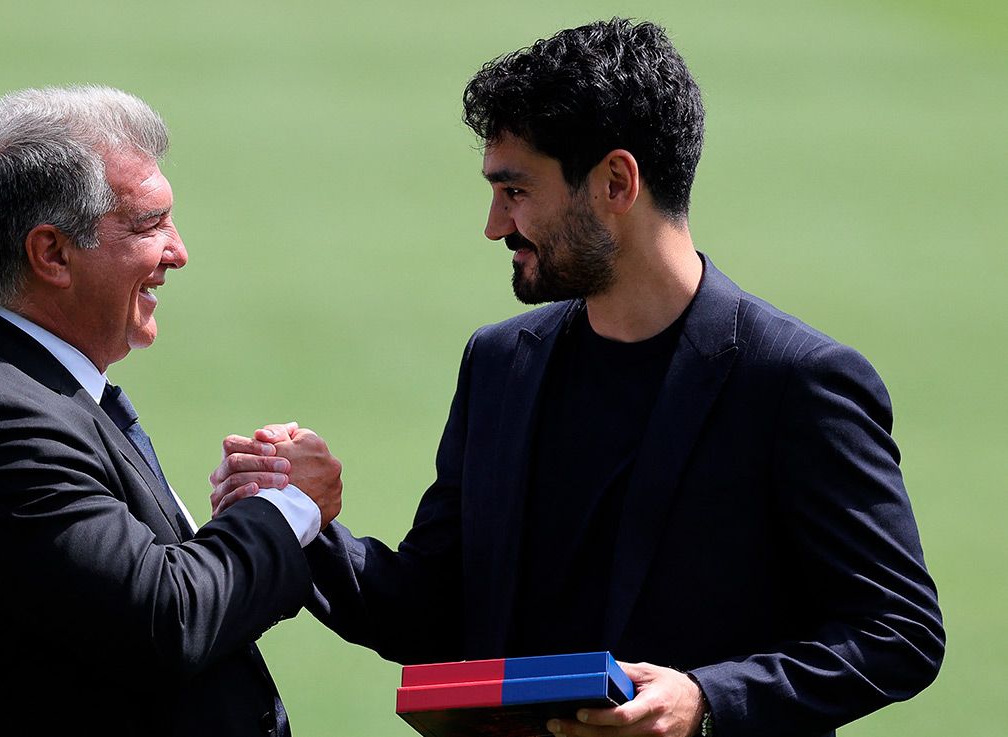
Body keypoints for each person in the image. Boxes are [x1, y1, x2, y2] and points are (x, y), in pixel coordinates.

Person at [211, 19, 943, 737]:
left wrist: (706, 702)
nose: (494, 225)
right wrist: (295, 520)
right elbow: (432, 609)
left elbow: (899, 628)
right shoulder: (499, 363)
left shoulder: (796, 382)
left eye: (517, 191)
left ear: (615, 182)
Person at [0, 85, 341, 737]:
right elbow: (166, 619)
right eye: (149, 225)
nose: (178, 251)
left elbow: (127, 599)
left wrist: (245, 518)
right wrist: (290, 506)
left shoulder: (39, 391)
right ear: (52, 253)